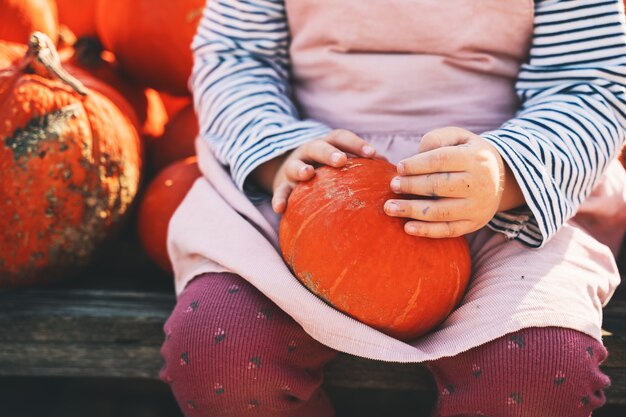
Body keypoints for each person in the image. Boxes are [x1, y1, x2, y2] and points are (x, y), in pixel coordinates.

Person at [159, 0, 626, 416]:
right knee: (221, 352)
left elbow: (591, 84)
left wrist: (505, 172)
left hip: (508, 200)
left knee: (535, 371)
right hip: (310, 183)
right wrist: (279, 153)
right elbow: (235, 58)